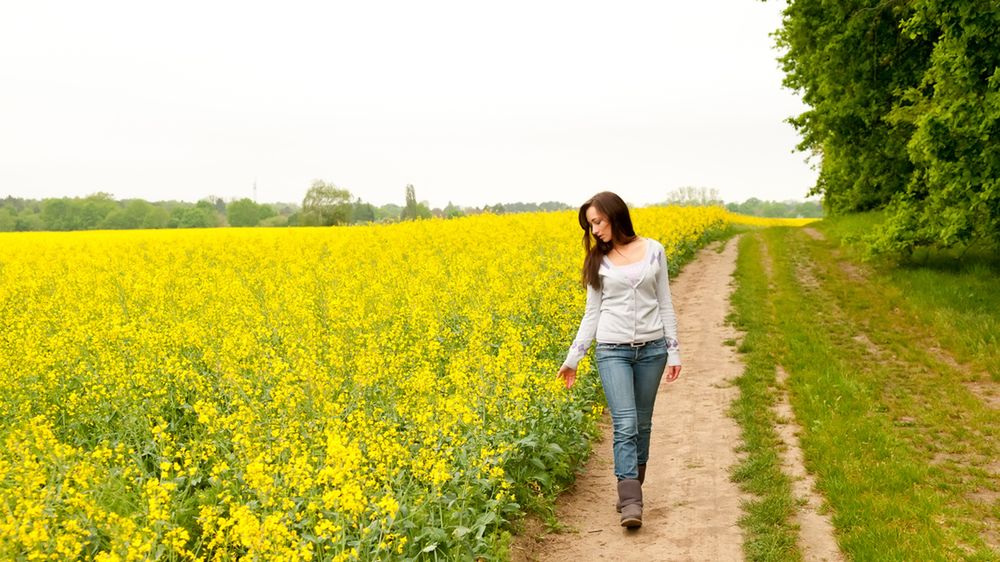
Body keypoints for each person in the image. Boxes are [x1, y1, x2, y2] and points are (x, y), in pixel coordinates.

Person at [557, 191, 682, 528]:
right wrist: (574, 358)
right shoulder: (598, 261)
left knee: (642, 424)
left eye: (598, 221)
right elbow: (592, 312)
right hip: (612, 350)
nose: (594, 230)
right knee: (625, 423)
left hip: (653, 350)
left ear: (615, 215)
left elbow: (665, 302)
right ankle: (631, 502)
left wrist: (674, 350)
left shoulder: (654, 251)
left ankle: (631, 488)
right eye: (590, 225)